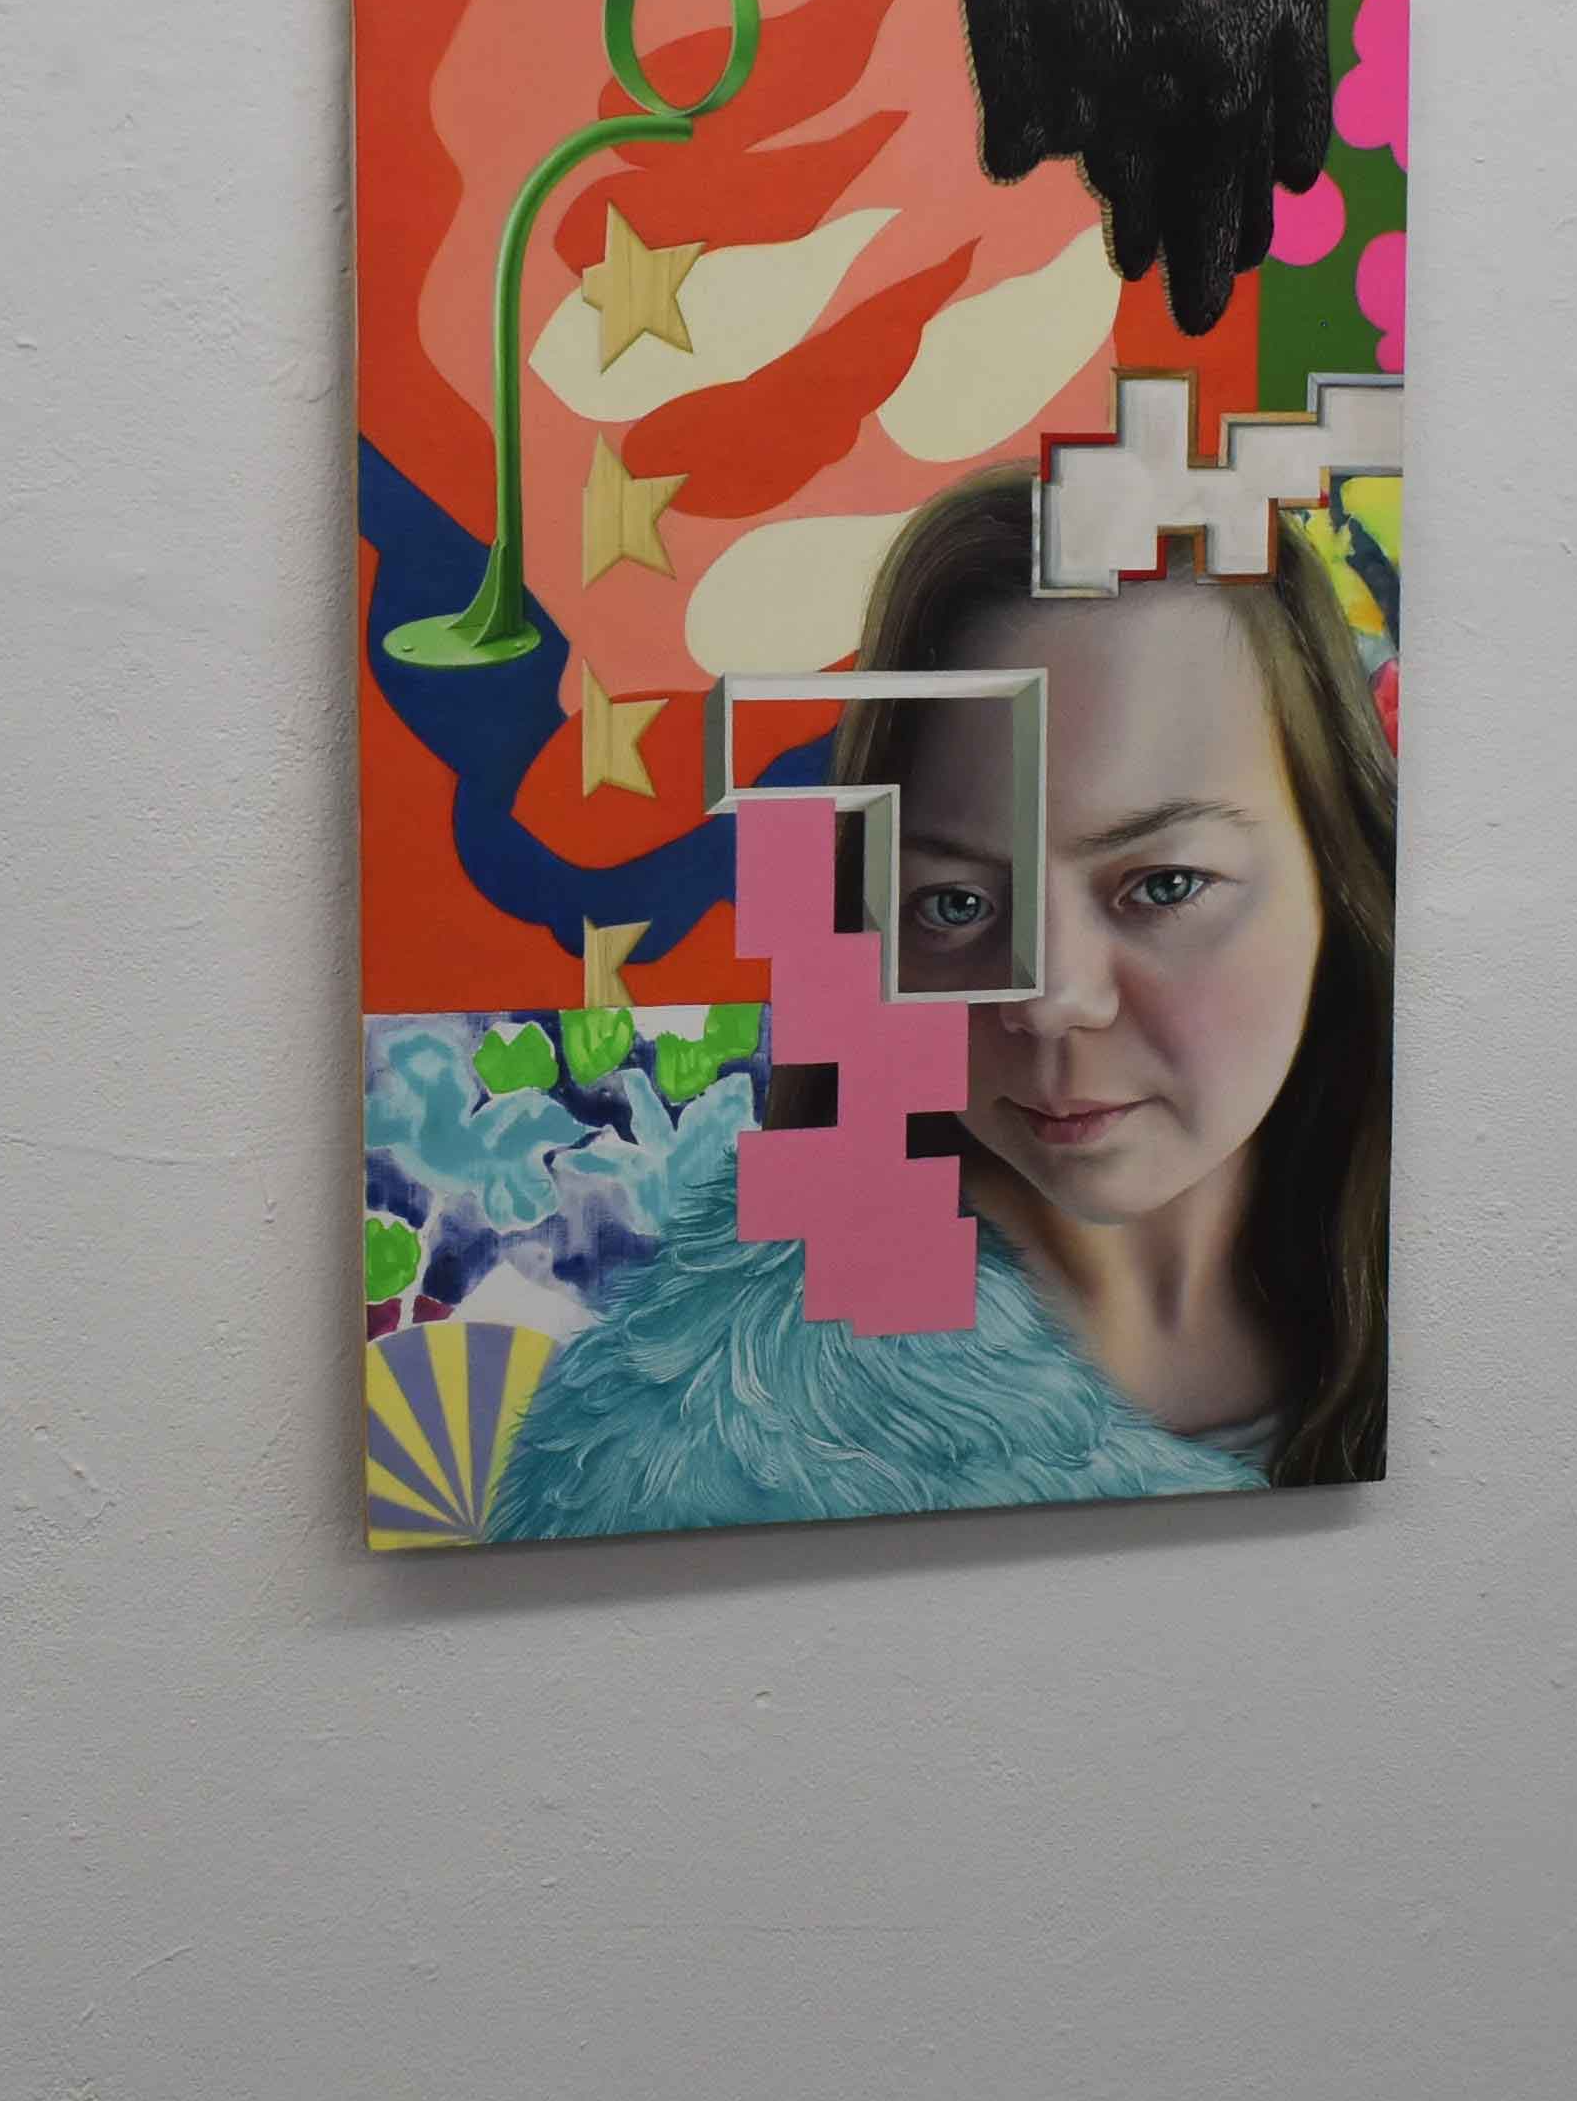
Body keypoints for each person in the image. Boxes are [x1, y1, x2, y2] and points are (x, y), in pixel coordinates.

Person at [479, 460, 1392, 1534]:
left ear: (1336, 871)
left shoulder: (1481, 1279)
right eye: (954, 904)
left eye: (1164, 885)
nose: (1049, 1000)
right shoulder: (700, 1447)